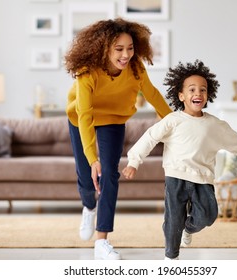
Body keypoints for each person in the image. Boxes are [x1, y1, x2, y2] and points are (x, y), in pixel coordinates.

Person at [122, 60, 237, 260]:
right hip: (176, 176)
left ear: (207, 95)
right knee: (173, 218)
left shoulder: (214, 124)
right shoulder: (173, 120)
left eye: (203, 90)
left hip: (203, 178)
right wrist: (134, 161)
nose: (198, 93)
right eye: (192, 89)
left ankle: (188, 228)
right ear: (181, 95)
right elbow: (150, 137)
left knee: (208, 216)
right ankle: (171, 257)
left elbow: (231, 139)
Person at [64, 18, 172, 260]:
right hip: (81, 119)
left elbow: (153, 95)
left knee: (110, 174)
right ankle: (89, 206)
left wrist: (176, 123)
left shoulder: (136, 69)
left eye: (130, 48)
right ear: (105, 49)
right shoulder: (87, 73)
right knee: (85, 175)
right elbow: (84, 115)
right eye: (119, 49)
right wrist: (92, 159)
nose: (126, 55)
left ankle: (101, 241)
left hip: (113, 120)